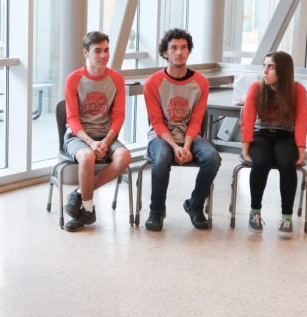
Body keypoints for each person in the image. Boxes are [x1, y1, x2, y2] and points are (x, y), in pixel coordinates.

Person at [142, 28, 221, 231]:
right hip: (161, 136)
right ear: (165, 53)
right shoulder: (152, 83)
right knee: (161, 159)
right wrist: (174, 147)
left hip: (190, 136)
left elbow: (196, 120)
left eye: (184, 47)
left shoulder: (201, 82)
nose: (179, 52)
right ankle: (156, 211)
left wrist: (185, 145)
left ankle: (194, 206)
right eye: (174, 48)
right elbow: (157, 122)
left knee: (212, 158)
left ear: (189, 51)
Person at [62, 31, 132, 232]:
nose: (103, 55)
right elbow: (72, 119)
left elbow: (118, 116)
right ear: (86, 53)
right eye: (98, 51)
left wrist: (107, 141)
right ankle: (88, 209)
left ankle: (79, 193)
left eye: (106, 50)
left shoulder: (116, 79)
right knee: (87, 157)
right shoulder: (73, 79)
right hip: (79, 135)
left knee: (124, 157)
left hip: (106, 134)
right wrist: (91, 143)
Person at [241, 51, 307, 236]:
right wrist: (245, 148)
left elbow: (302, 120)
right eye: (265, 66)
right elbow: (247, 119)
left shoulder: (297, 90)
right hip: (261, 135)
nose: (265, 71)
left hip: (286, 136)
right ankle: (255, 212)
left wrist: (301, 151)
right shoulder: (256, 88)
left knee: (287, 163)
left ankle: (287, 217)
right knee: (260, 162)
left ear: (283, 70)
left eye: (270, 67)